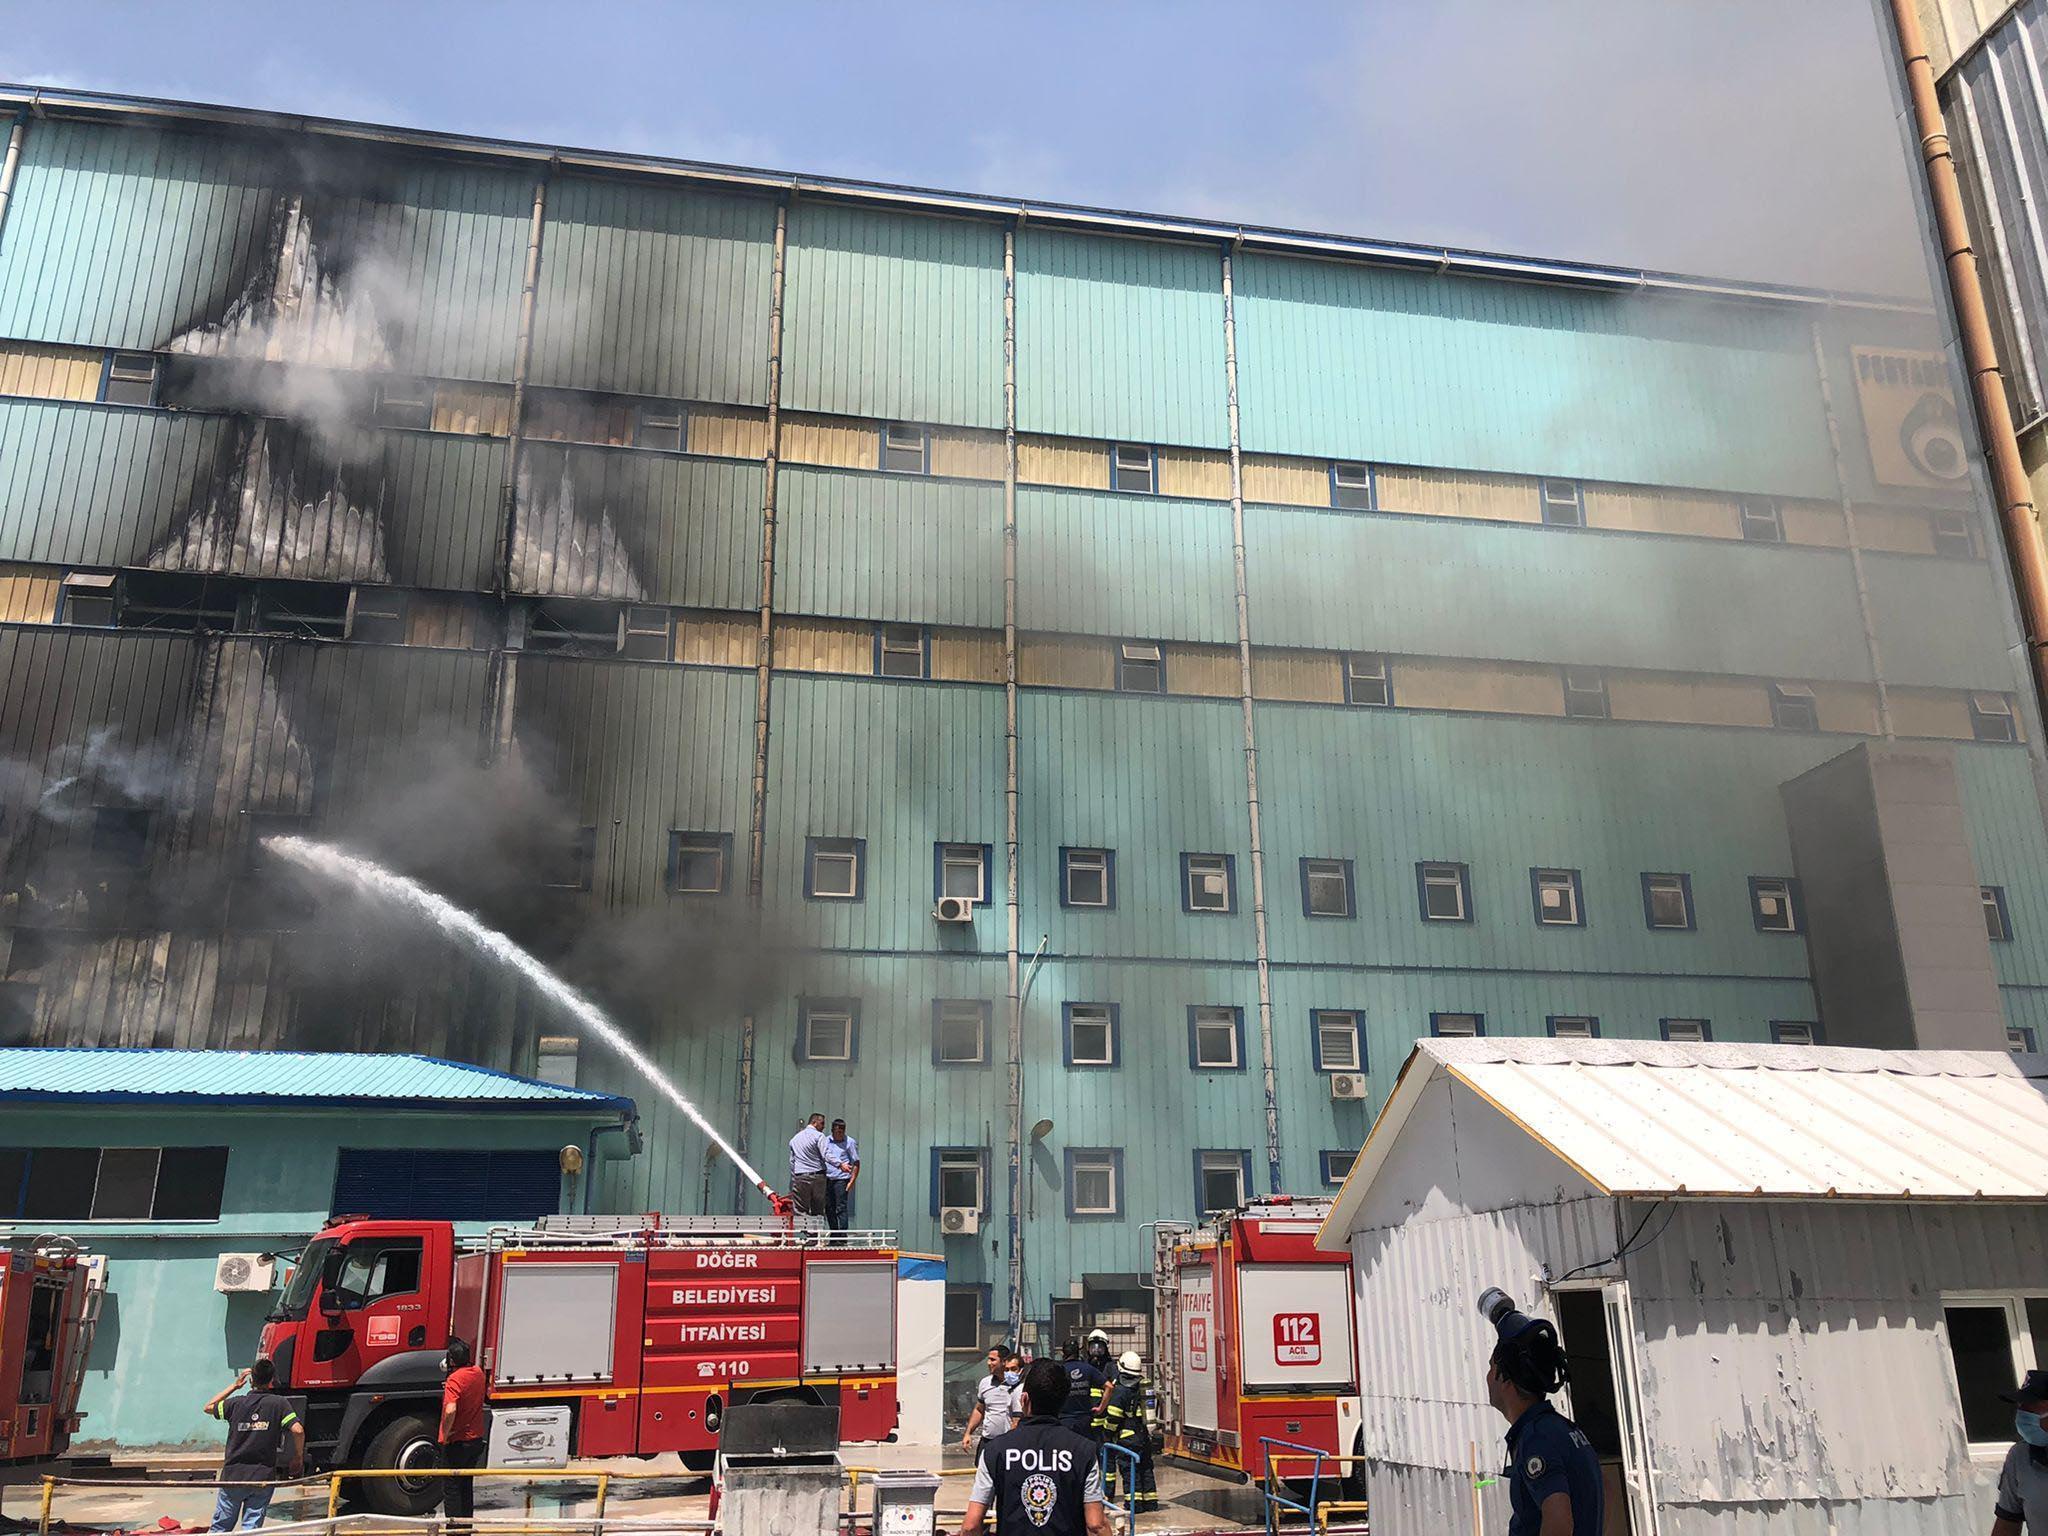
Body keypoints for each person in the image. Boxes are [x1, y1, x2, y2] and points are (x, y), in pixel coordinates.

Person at [1482, 1295, 1601, 1536]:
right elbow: (1604, 1490)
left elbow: (1559, 1521)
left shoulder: (1537, 1439)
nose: (1487, 1377)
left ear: (1504, 1379)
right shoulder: (1564, 1429)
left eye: (1491, 1368)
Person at [960, 1357, 1107, 1536]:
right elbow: (1096, 1524)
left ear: (1024, 1399)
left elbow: (971, 1525)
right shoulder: (1084, 1451)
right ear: (1063, 1401)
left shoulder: (995, 1450)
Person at [203, 1358, 303, 1532]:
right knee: (252, 1528)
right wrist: (298, 1457)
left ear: (251, 1380)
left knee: (221, 1528)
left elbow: (208, 1407)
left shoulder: (235, 1404)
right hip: (262, 1478)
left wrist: (234, 1386)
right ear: (272, 1380)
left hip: (233, 1477)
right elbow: (298, 1430)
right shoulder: (279, 1404)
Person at [438, 1337, 488, 1526]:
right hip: (475, 1439)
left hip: (457, 1441)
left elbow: (451, 1409)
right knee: (466, 1486)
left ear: (451, 1360)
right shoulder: (478, 1373)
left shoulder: (454, 1379)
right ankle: (466, 1526)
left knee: (451, 1488)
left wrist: (446, 1433)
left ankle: (454, 1528)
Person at [1099, 1352, 1158, 1513]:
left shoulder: (1121, 1390)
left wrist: (1106, 1433)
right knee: (1145, 1468)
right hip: (1144, 1435)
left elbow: (1113, 1417)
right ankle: (1151, 1503)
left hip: (1127, 1437)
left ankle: (1134, 1504)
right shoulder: (1144, 1386)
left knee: (1129, 1469)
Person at [1993, 1368, 2048, 1534]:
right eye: (2021, 1405)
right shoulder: (2020, 1457)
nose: (2022, 1412)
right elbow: (2007, 1525)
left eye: (2031, 1406)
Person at [963, 1347, 1021, 1450]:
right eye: (988, 1359)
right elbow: (979, 1410)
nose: (989, 1363)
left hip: (1010, 1443)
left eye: (993, 1360)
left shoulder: (1018, 1386)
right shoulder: (985, 1383)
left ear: (1004, 1361)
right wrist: (968, 1433)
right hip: (988, 1441)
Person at [1059, 1338, 1107, 1442]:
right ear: (1078, 1351)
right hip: (1084, 1421)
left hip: (1064, 1421)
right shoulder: (1088, 1369)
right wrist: (1101, 1408)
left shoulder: (1059, 1370)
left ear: (1063, 1353)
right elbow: (1109, 1386)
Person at [788, 1112, 829, 1217]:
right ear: (814, 1122)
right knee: (818, 1208)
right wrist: (840, 1164)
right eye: (822, 1123)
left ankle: (808, 1231)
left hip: (800, 1176)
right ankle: (816, 1231)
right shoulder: (819, 1136)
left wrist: (794, 1178)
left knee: (800, 1209)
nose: (824, 1127)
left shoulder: (794, 1139)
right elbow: (826, 1154)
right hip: (818, 1176)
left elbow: (792, 1162)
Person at [823, 1117, 860, 1232]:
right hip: (828, 1179)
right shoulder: (826, 1141)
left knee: (841, 1208)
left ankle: (842, 1236)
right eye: (837, 1132)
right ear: (832, 1130)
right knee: (829, 1208)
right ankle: (834, 1235)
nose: (840, 1134)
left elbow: (856, 1162)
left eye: (842, 1132)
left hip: (841, 1179)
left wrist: (851, 1181)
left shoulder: (849, 1142)